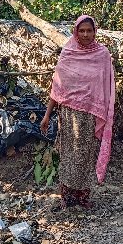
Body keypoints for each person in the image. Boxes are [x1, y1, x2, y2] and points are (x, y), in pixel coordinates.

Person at [40, 15, 116, 209]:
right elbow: (57, 88)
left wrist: (105, 113)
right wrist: (47, 115)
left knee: (86, 155)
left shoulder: (102, 55)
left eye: (89, 30)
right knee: (69, 154)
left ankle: (83, 197)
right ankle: (67, 197)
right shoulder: (68, 52)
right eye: (81, 30)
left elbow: (107, 86)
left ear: (95, 32)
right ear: (75, 31)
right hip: (69, 114)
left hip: (91, 113)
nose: (85, 34)